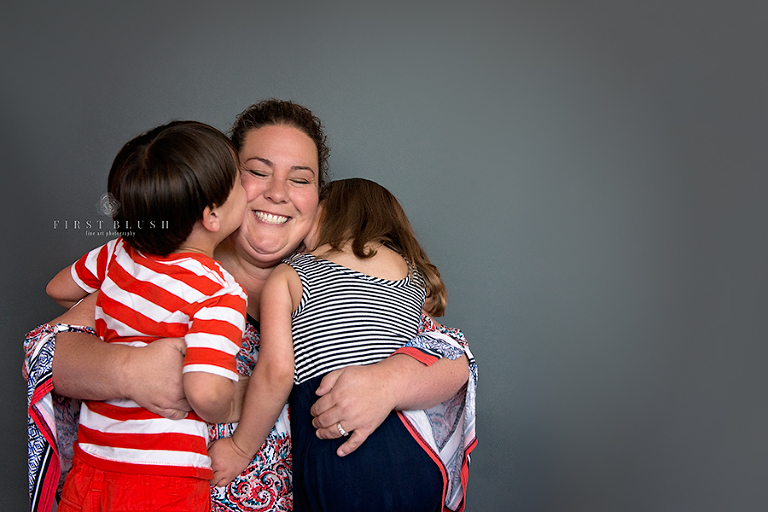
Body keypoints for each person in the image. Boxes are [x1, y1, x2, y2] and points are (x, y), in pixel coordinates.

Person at [25, 99, 476, 512]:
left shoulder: (350, 289)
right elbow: (46, 354)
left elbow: (453, 359)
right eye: (257, 171)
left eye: (300, 179)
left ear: (320, 203)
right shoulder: (165, 263)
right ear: (221, 183)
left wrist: (389, 382)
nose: (278, 192)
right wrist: (129, 369)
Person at [209, 177, 450, 512]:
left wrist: (239, 448)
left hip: (335, 448)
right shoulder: (413, 277)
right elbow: (436, 351)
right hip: (414, 451)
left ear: (330, 214)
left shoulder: (292, 273)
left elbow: (276, 373)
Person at [44, 121, 248, 511]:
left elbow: (58, 289)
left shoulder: (119, 252)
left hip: (90, 467)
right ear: (211, 216)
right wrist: (231, 404)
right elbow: (205, 393)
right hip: (163, 480)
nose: (249, 189)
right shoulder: (220, 290)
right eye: (240, 180)